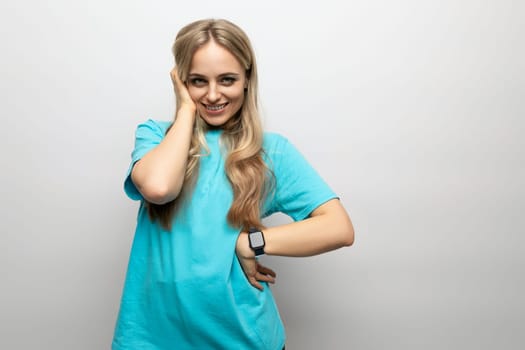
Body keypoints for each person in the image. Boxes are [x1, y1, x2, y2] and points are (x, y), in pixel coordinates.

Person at [112, 18, 354, 350]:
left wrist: (251, 243)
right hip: (151, 340)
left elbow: (338, 227)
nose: (213, 94)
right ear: (182, 82)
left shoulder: (272, 151)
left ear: (246, 80)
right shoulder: (156, 136)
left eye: (227, 80)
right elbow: (158, 187)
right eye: (198, 81)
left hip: (243, 339)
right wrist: (185, 110)